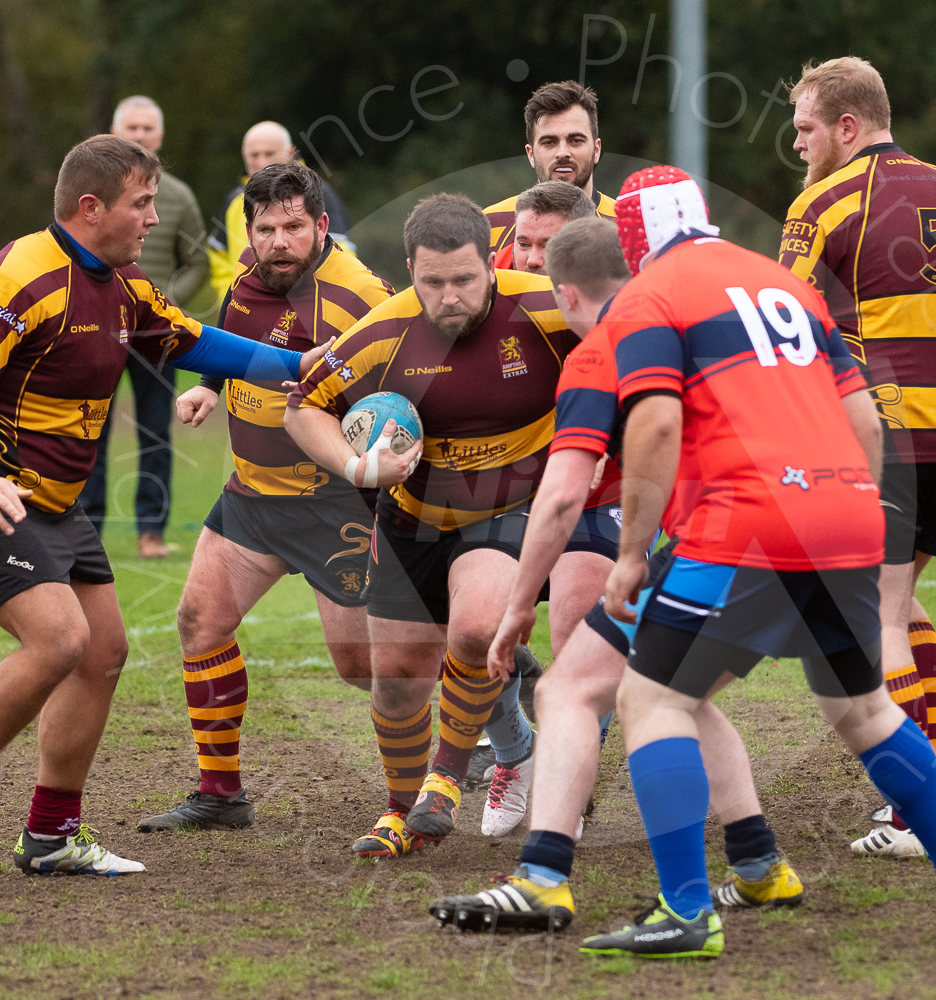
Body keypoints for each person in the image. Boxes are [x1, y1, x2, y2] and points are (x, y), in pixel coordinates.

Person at [572, 166, 936, 958]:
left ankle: (686, 909)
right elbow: (864, 419)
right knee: (865, 711)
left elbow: (657, 429)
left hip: (745, 522)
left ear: (633, 242)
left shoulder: (648, 296)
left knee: (652, 700)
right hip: (845, 511)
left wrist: (632, 553)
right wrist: (851, 513)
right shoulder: (786, 286)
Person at [0, 135, 334, 876]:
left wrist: (306, 365)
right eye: (141, 204)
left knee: (103, 652)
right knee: (58, 641)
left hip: (53, 503)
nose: (151, 219)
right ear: (90, 207)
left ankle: (50, 834)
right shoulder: (19, 272)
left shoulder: (126, 285)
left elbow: (202, 343)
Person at [426, 217, 805, 932]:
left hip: (717, 543)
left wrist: (517, 609)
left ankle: (544, 878)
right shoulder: (711, 321)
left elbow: (564, 494)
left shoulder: (607, 345)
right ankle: (760, 865)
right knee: (688, 695)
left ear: (566, 293)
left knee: (571, 687)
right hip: (810, 525)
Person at [284, 193, 574, 858]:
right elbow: (304, 407)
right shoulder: (386, 331)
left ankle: (444, 780)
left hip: (509, 507)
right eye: (432, 281)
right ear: (410, 267)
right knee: (395, 679)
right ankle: (398, 811)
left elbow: (642, 332)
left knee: (474, 629)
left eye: (465, 280)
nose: (449, 296)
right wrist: (359, 468)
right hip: (413, 516)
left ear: (492, 267)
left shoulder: (547, 307)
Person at [137, 162, 394, 832]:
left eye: (293, 227)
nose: (278, 241)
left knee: (361, 664)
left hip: (335, 506)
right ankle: (221, 794)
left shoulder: (362, 297)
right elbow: (231, 343)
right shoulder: (250, 283)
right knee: (200, 622)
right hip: (251, 498)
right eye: (266, 228)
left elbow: (399, 399)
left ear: (321, 225)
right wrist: (205, 387)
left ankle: (484, 721)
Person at [779, 56, 936, 856]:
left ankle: (916, 803)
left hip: (887, 432)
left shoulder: (825, 201)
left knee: (876, 610)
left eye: (804, 128)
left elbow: (779, 317)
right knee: (904, 600)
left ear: (846, 125)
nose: (796, 144)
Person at [458, 178, 597, 830]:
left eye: (550, 245)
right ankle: (517, 749)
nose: (532, 258)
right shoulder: (482, 306)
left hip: (590, 498)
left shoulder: (605, 311)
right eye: (523, 243)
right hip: (502, 498)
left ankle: (573, 783)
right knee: (473, 631)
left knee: (577, 632)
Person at [81, 96, 209, 559]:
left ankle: (151, 532)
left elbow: (198, 261)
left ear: (160, 136)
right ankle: (86, 529)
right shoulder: (89, 194)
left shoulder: (177, 196)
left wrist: (169, 299)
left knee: (156, 429)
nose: (139, 135)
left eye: (147, 128)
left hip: (155, 335)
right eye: (130, 127)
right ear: (114, 132)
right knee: (89, 426)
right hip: (96, 328)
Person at [207, 121, 354, 298]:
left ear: (291, 152)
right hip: (248, 307)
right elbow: (219, 256)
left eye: (269, 153)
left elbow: (342, 254)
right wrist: (233, 297)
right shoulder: (235, 200)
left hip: (306, 306)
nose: (261, 161)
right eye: (254, 155)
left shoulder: (317, 193)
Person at [482, 81, 616, 258]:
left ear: (596, 150)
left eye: (575, 140)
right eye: (549, 142)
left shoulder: (627, 225)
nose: (562, 153)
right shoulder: (489, 225)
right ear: (530, 154)